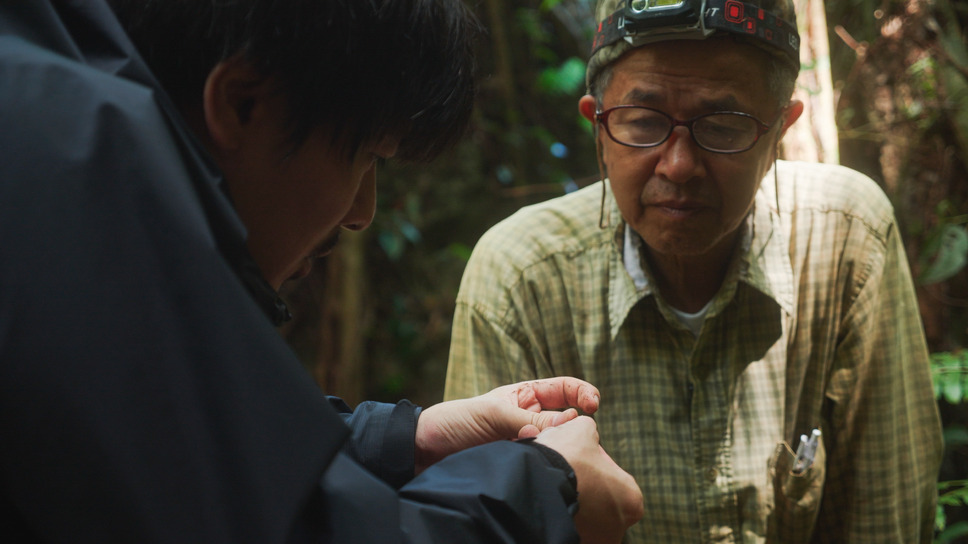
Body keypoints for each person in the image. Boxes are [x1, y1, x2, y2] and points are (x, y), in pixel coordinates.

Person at [0, 1, 643, 542]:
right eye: (366, 157)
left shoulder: (59, 108)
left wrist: (409, 439)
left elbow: (192, 453)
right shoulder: (63, 189)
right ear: (244, 103)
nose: (361, 213)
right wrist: (543, 492)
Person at [445, 0, 943, 541]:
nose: (679, 165)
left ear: (780, 129)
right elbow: (485, 524)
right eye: (642, 122)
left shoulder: (846, 239)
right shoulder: (522, 278)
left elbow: (884, 518)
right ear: (598, 127)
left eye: (724, 126)